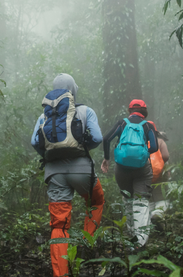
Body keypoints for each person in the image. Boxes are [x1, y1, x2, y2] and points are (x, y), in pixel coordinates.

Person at [31, 73, 104, 277]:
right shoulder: (85, 111)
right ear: (73, 89)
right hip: (82, 170)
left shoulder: (44, 115)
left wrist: (47, 155)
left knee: (59, 225)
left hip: (54, 174)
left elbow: (34, 143)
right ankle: (87, 243)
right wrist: (81, 145)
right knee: (96, 201)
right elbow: (97, 138)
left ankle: (60, 274)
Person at [100, 99, 158, 247]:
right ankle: (139, 242)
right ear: (144, 111)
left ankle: (131, 234)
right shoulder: (148, 126)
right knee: (141, 201)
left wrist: (107, 158)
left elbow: (106, 139)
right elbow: (155, 147)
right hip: (142, 169)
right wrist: (143, 152)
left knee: (127, 198)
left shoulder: (122, 123)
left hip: (122, 168)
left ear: (130, 111)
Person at [149, 129, 170, 219]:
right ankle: (157, 215)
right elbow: (165, 158)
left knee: (148, 198)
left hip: (145, 175)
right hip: (159, 176)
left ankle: (148, 218)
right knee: (161, 197)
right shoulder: (161, 142)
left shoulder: (145, 142)